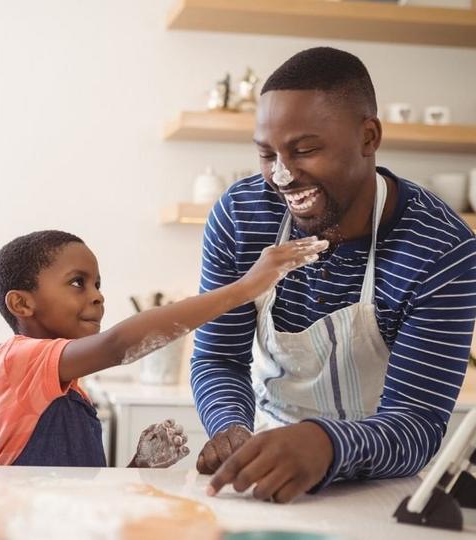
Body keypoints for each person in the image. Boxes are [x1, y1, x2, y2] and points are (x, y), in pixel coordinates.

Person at [192, 47, 476, 503]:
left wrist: (325, 443)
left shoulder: (441, 250)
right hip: (262, 468)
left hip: (380, 485)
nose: (281, 176)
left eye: (304, 150)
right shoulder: (242, 217)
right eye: (267, 155)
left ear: (368, 136)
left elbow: (417, 422)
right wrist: (231, 430)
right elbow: (218, 358)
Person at [0, 230, 326, 466]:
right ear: (21, 304)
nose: (97, 295)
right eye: (78, 282)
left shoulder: (70, 387)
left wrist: (139, 466)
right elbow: (118, 345)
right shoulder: (14, 359)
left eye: (98, 284)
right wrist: (245, 288)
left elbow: (85, 490)